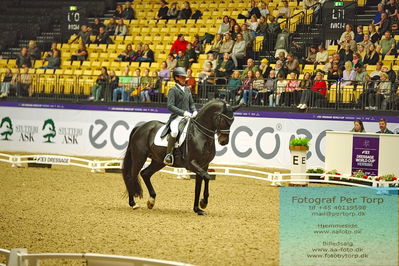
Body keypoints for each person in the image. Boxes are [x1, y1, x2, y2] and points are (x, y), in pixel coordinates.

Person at [161, 67, 197, 165]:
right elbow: (170, 106)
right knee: (175, 132)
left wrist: (194, 111)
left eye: (184, 77)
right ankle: (168, 155)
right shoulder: (173, 90)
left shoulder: (187, 90)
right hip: (176, 117)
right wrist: (183, 113)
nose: (184, 79)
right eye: (181, 77)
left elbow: (191, 103)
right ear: (176, 78)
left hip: (188, 117)